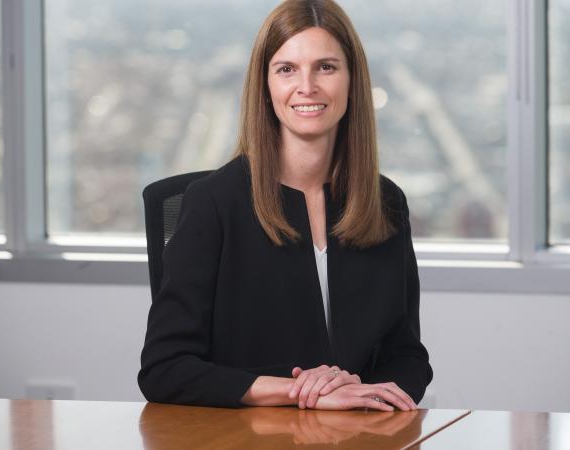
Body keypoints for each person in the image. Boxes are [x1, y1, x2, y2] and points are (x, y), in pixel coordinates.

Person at [138, 0, 432, 412]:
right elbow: (163, 369)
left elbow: (408, 355)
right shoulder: (213, 203)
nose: (307, 86)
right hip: (245, 439)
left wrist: (361, 389)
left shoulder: (385, 203)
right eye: (287, 69)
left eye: (326, 67)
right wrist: (305, 393)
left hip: (354, 434)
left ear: (352, 80)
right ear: (266, 85)